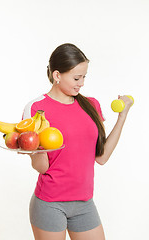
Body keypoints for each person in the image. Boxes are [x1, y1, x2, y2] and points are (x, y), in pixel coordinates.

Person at [22, 43, 133, 240]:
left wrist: (122, 117)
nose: (81, 83)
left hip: (84, 203)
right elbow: (41, 167)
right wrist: (35, 149)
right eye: (76, 78)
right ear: (57, 75)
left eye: (84, 77)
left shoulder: (91, 105)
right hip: (50, 203)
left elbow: (102, 157)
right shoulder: (36, 109)